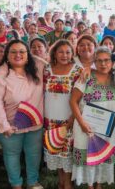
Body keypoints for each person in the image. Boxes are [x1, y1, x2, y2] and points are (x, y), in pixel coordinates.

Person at [0, 40, 45, 189]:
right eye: (13, 52)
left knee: (34, 154)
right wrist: (4, 125)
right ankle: (16, 184)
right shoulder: (0, 74)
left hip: (34, 123)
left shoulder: (37, 67)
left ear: (28, 54)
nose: (18, 55)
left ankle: (33, 182)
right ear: (7, 55)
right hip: (10, 124)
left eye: (22, 52)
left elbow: (51, 61)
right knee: (12, 154)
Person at [70, 46, 115, 188]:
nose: (103, 64)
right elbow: (73, 101)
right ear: (94, 62)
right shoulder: (87, 76)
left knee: (102, 153)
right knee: (89, 153)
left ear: (112, 61)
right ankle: (90, 185)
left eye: (107, 60)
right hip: (86, 125)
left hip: (108, 126)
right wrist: (82, 123)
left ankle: (98, 184)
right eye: (99, 61)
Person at [43, 40, 83, 189]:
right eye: (61, 52)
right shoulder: (47, 69)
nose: (64, 55)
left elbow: (80, 98)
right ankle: (61, 181)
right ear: (54, 53)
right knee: (55, 151)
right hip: (50, 119)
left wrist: (73, 118)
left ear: (72, 54)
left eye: (68, 52)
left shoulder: (77, 70)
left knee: (66, 153)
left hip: (68, 119)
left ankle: (67, 184)